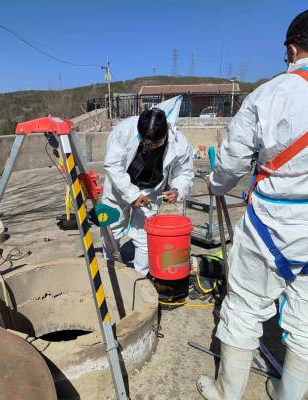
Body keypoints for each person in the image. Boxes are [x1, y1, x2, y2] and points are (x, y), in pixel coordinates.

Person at [196, 10, 308, 400]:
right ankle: (290, 393)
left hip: (274, 222)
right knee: (307, 318)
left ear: (292, 48)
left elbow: (230, 164)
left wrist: (215, 185)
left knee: (243, 306)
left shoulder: (272, 94)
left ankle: (227, 392)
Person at [102, 97, 194, 276]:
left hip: (151, 191)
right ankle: (109, 272)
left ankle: (139, 278)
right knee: (111, 230)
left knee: (144, 236)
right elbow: (113, 165)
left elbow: (185, 172)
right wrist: (132, 194)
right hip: (119, 187)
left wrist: (177, 189)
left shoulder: (180, 143)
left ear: (165, 134)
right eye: (145, 142)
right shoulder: (124, 130)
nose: (149, 147)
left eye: (154, 144)